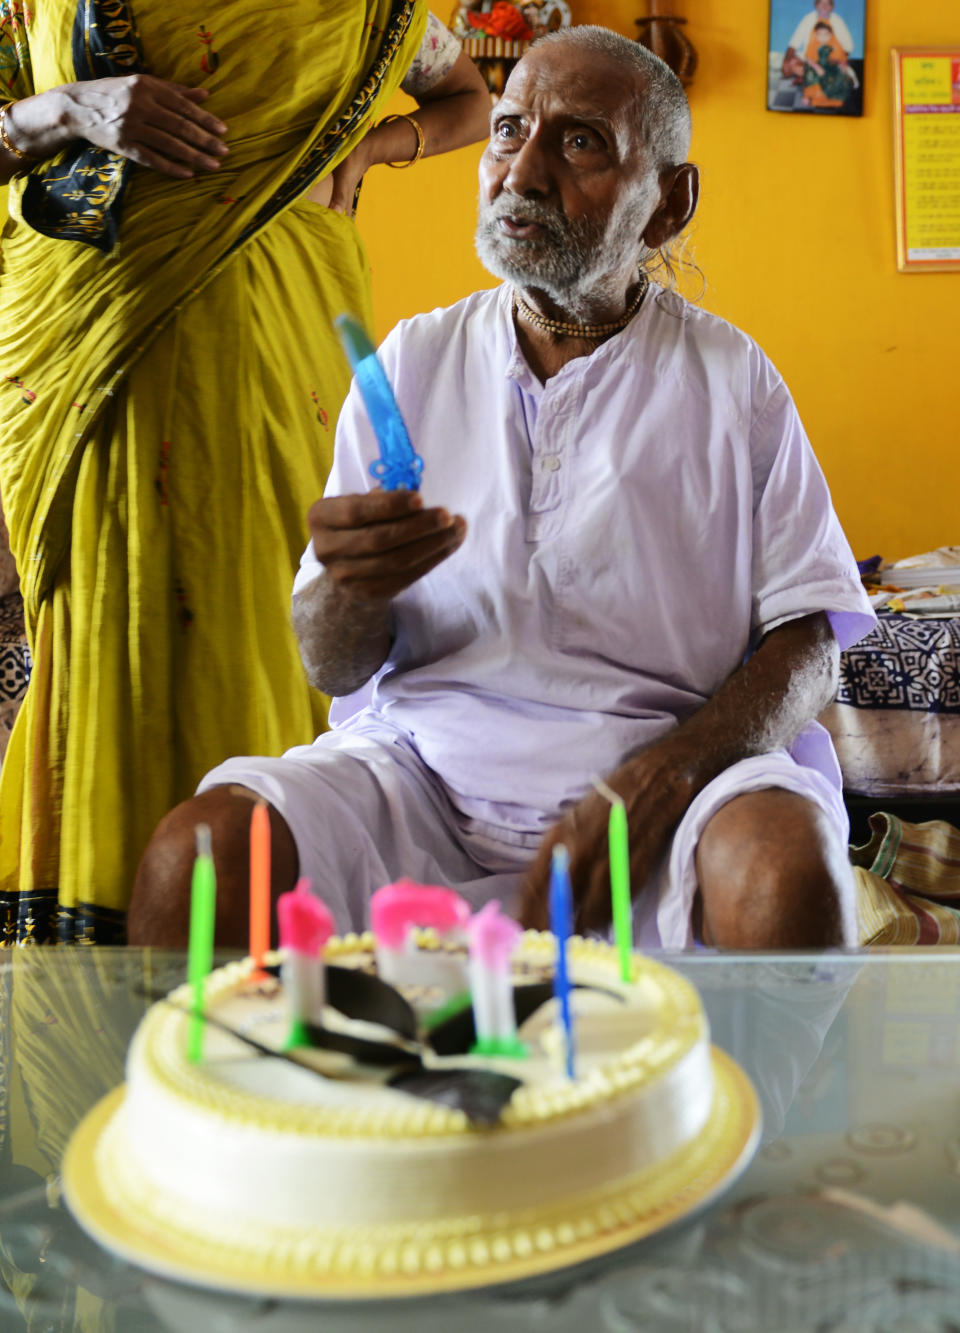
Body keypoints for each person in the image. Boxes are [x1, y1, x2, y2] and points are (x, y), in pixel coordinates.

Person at [128, 26, 876, 953]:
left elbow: (808, 643)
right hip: (419, 782)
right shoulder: (411, 361)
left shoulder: (734, 380)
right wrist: (349, 589)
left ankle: (756, 1107)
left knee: (785, 870)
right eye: (508, 129)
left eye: (579, 141)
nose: (522, 172)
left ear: (668, 203)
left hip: (662, 791)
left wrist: (668, 775)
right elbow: (331, 664)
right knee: (193, 861)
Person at [0, 4, 490, 945]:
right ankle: (103, 946)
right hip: (91, 339)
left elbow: (466, 94)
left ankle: (275, 938)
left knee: (277, 614)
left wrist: (378, 147)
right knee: (115, 623)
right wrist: (73, 106)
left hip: (279, 331)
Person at [781, 0, 853, 82]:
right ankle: (810, 75)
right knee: (788, 69)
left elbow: (848, 47)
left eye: (828, 4)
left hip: (830, 59)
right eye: (821, 3)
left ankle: (810, 77)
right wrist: (786, 62)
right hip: (809, 58)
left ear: (832, 7)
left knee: (832, 73)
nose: (824, 6)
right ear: (816, 5)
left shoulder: (838, 21)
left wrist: (832, 61)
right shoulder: (808, 19)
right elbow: (793, 44)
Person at [801, 20, 858, 108]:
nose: (823, 37)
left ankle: (835, 97)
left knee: (840, 77)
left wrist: (840, 65)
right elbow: (809, 59)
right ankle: (809, 95)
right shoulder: (812, 45)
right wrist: (816, 67)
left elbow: (841, 59)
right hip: (818, 71)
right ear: (815, 34)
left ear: (831, 34)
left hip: (832, 72)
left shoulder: (835, 45)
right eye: (820, 34)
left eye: (826, 34)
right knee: (809, 71)